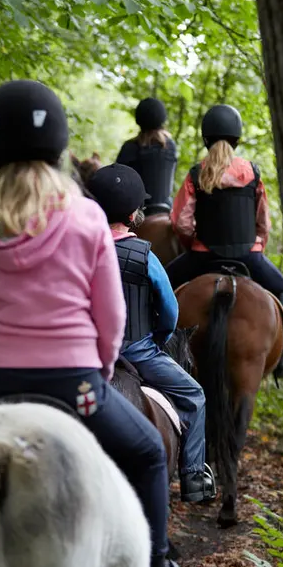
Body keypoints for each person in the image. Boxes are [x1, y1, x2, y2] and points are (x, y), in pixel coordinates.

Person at [0, 80, 187, 567]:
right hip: (77, 386)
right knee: (147, 457)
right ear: (58, 149)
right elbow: (111, 319)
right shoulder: (88, 216)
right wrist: (95, 369)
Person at [86, 164, 216, 504]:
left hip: (87, 352)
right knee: (195, 396)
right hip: (138, 351)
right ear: (133, 213)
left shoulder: (82, 250)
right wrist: (158, 337)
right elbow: (170, 311)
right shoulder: (145, 256)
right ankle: (192, 478)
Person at [165, 104, 283, 379]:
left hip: (203, 256)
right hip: (248, 257)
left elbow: (181, 222)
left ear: (206, 138)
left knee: (162, 283)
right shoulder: (253, 173)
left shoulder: (196, 174)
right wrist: (257, 243)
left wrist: (193, 244)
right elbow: (263, 219)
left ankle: (156, 343)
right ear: (237, 139)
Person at [116, 97, 178, 215]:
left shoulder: (130, 147)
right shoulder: (170, 145)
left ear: (139, 120)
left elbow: (117, 183)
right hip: (166, 207)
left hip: (138, 212)